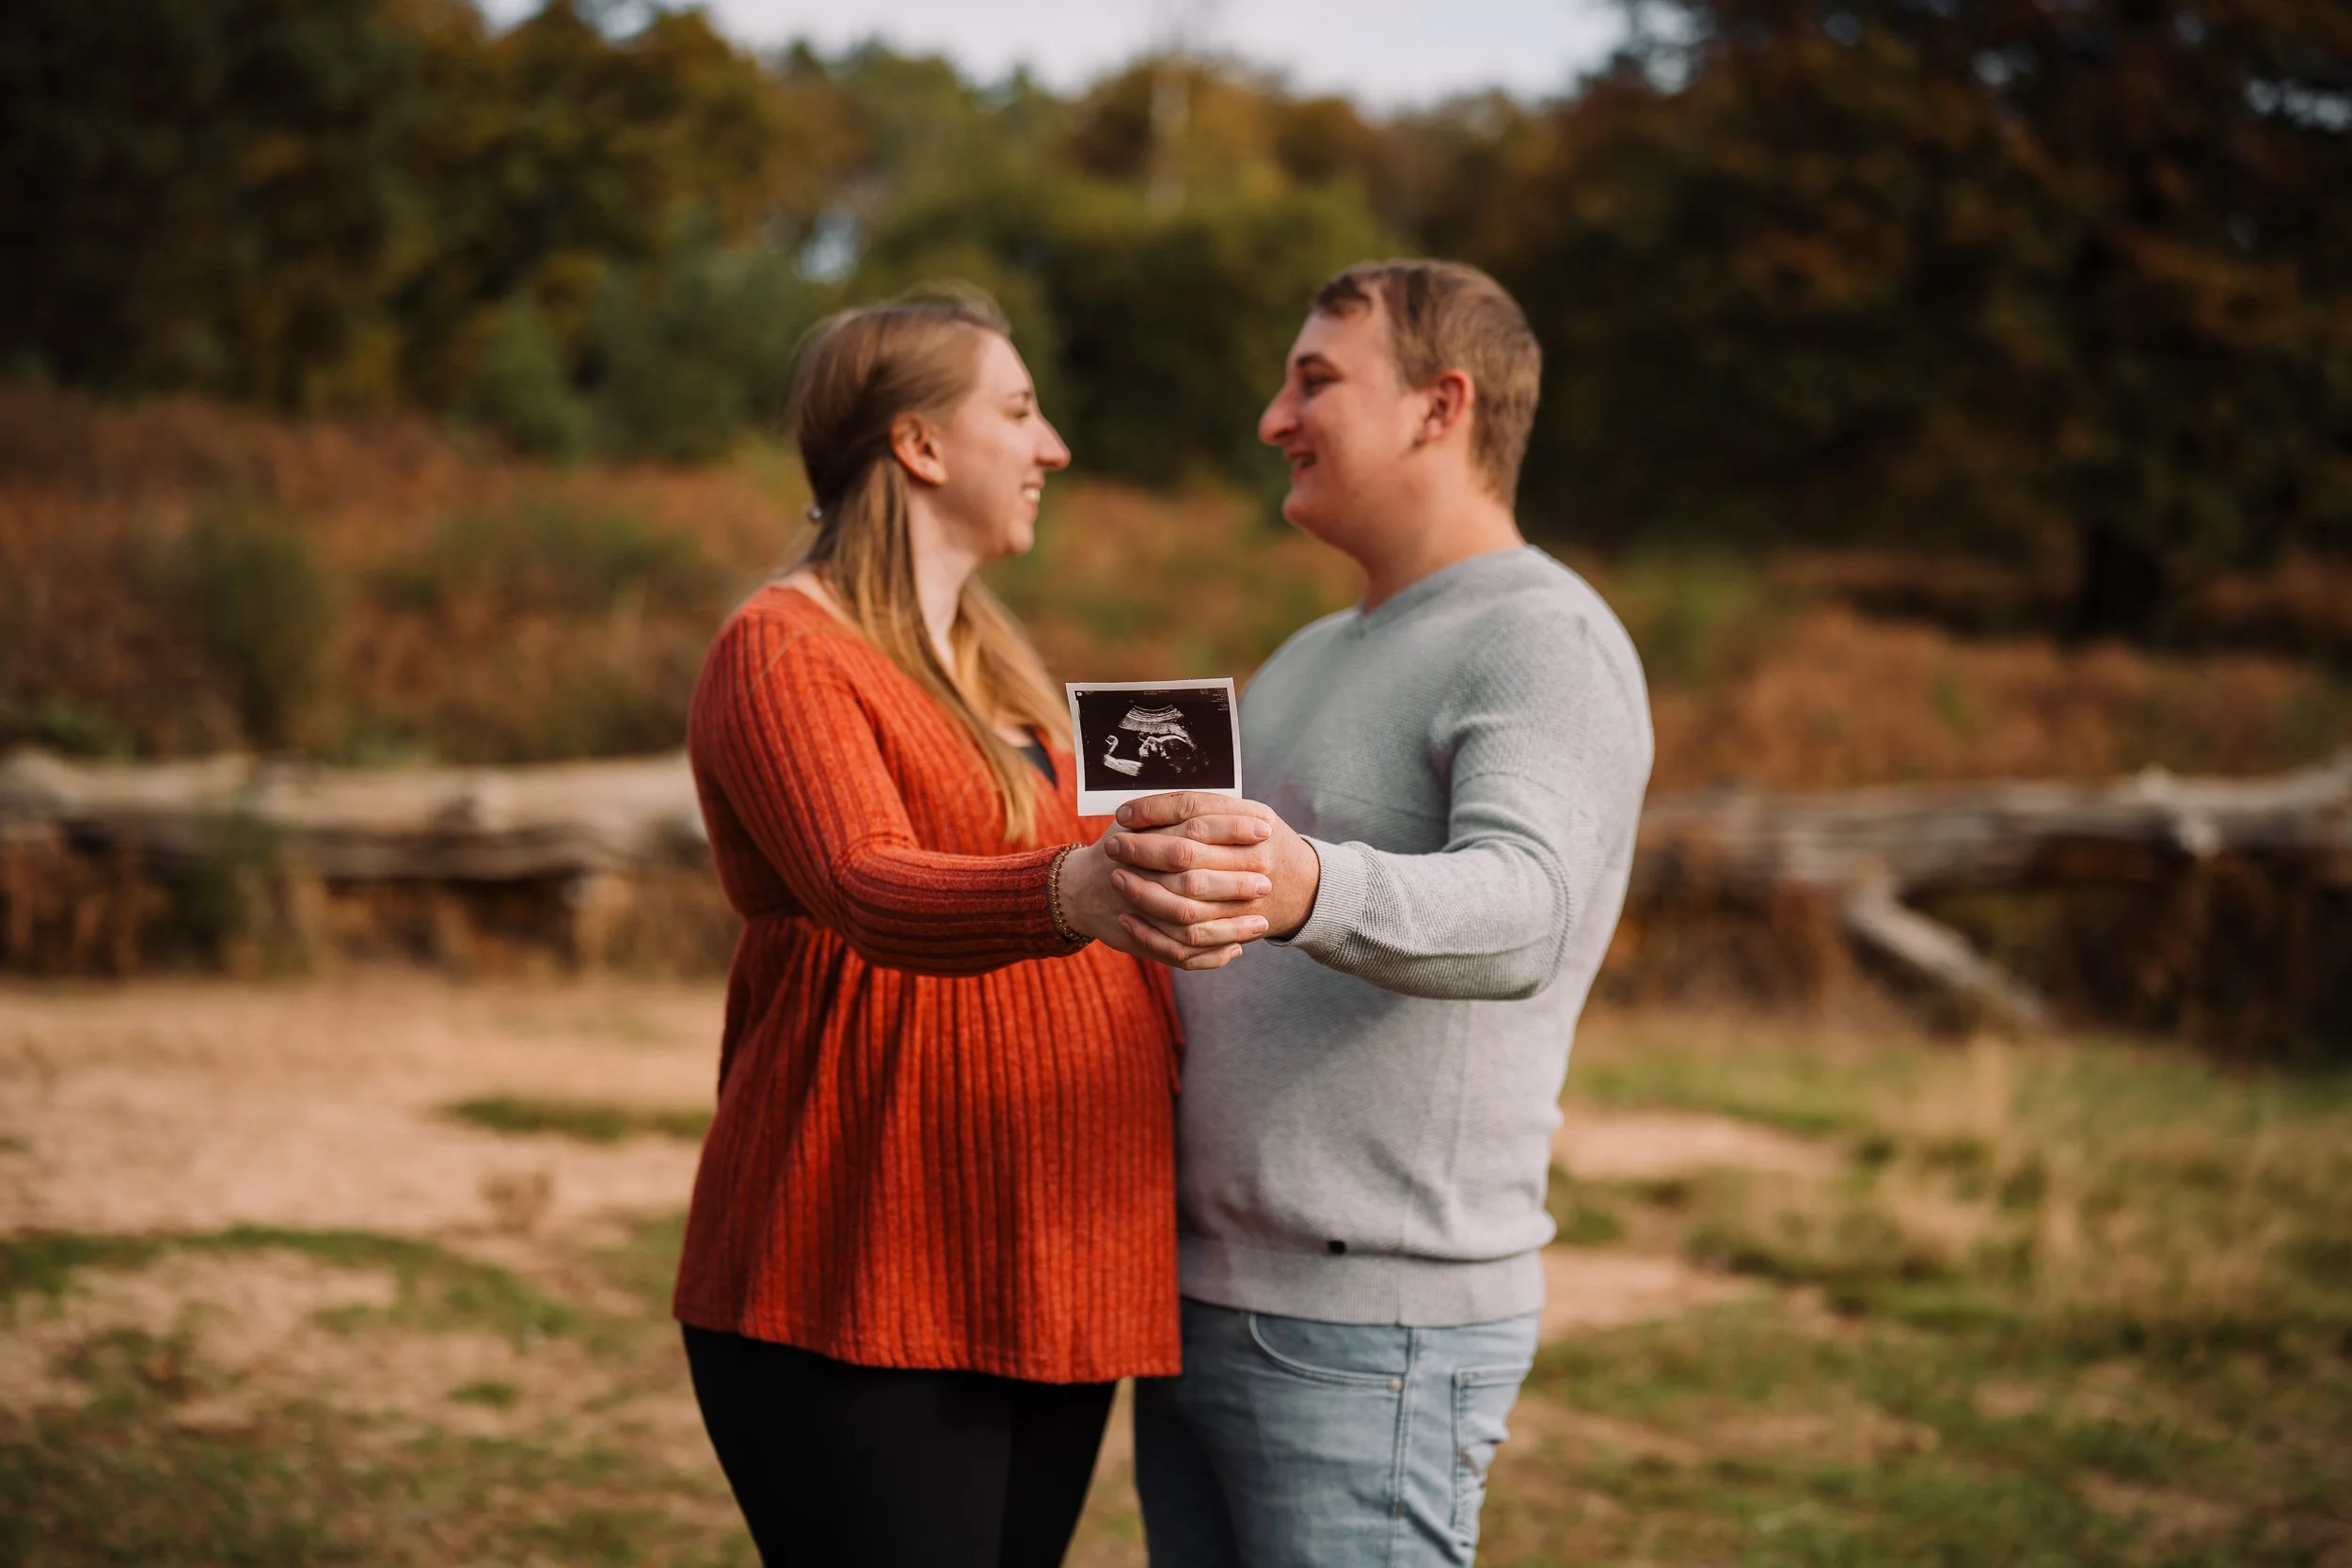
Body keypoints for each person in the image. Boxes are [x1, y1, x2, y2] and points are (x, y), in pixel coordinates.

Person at [672, 287, 1273, 1568]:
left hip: (1047, 1259)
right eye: (1019, 410)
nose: (1052, 446)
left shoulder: (997, 665)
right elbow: (863, 882)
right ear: (920, 446)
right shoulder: (784, 653)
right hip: (868, 1257)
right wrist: (1077, 891)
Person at [1106, 261, 1655, 1567]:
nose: (1272, 420)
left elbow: (1525, 909)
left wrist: (1308, 881)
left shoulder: (1543, 638)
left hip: (1372, 1333)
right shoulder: (1306, 652)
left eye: (1314, 381)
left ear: (1438, 406)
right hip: (1192, 1297)